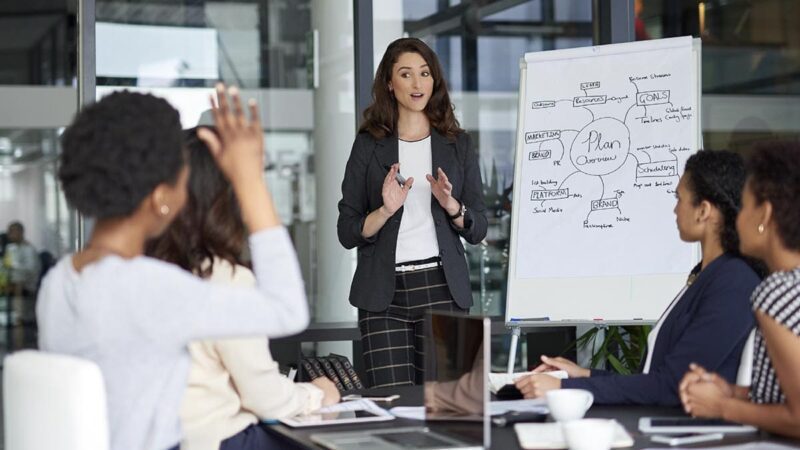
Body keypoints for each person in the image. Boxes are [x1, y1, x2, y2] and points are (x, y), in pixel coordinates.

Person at [37, 86, 309, 450]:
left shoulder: (58, 281)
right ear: (161, 198)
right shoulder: (149, 287)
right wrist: (249, 180)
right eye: (181, 174)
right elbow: (288, 310)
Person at [515, 150, 760, 406]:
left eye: (679, 198)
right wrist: (583, 374)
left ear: (703, 210)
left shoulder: (733, 281)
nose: (675, 209)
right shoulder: (707, 275)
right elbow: (652, 379)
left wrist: (566, 387)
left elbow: (671, 386)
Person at [146, 128, 340, 450]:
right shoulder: (226, 281)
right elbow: (265, 398)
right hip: (218, 441)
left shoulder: (139, 274)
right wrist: (318, 393)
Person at [337, 37, 487, 388]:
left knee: (450, 411)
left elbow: (478, 228)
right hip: (383, 295)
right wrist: (386, 210)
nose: (417, 84)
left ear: (435, 81)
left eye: (424, 73)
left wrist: (452, 206)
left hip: (444, 289)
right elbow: (347, 230)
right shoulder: (369, 144)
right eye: (406, 74)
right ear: (390, 83)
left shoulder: (457, 143)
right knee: (393, 408)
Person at [679, 142, 800, 438]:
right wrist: (733, 392)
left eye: (744, 207)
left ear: (765, 216)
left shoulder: (777, 293)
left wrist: (722, 406)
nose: (737, 217)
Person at [3, 221, 40, 324]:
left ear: (21, 232)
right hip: (11, 278)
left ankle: (19, 317)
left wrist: (14, 267)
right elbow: (6, 265)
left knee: (17, 284)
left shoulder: (29, 249)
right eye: (9, 232)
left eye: (12, 232)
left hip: (26, 282)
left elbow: (31, 270)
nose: (9, 235)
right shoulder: (10, 248)